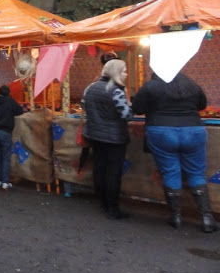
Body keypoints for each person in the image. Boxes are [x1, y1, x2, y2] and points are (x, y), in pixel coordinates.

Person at [132, 72, 217, 233]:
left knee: (170, 172)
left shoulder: (151, 86)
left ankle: (176, 217)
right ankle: (206, 218)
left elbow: (137, 108)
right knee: (197, 173)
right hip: (193, 130)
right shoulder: (191, 84)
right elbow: (202, 105)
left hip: (161, 131)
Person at [82, 59, 133, 219]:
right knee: (113, 172)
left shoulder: (90, 88)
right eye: (124, 71)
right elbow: (126, 115)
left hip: (95, 135)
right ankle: (112, 207)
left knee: (100, 168)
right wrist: (131, 105)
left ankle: (103, 201)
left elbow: (84, 106)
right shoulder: (116, 91)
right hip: (114, 138)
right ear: (116, 72)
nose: (126, 74)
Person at [0, 84, 25, 190]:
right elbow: (20, 111)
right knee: (5, 158)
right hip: (6, 132)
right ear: (9, 93)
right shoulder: (11, 102)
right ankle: (5, 181)